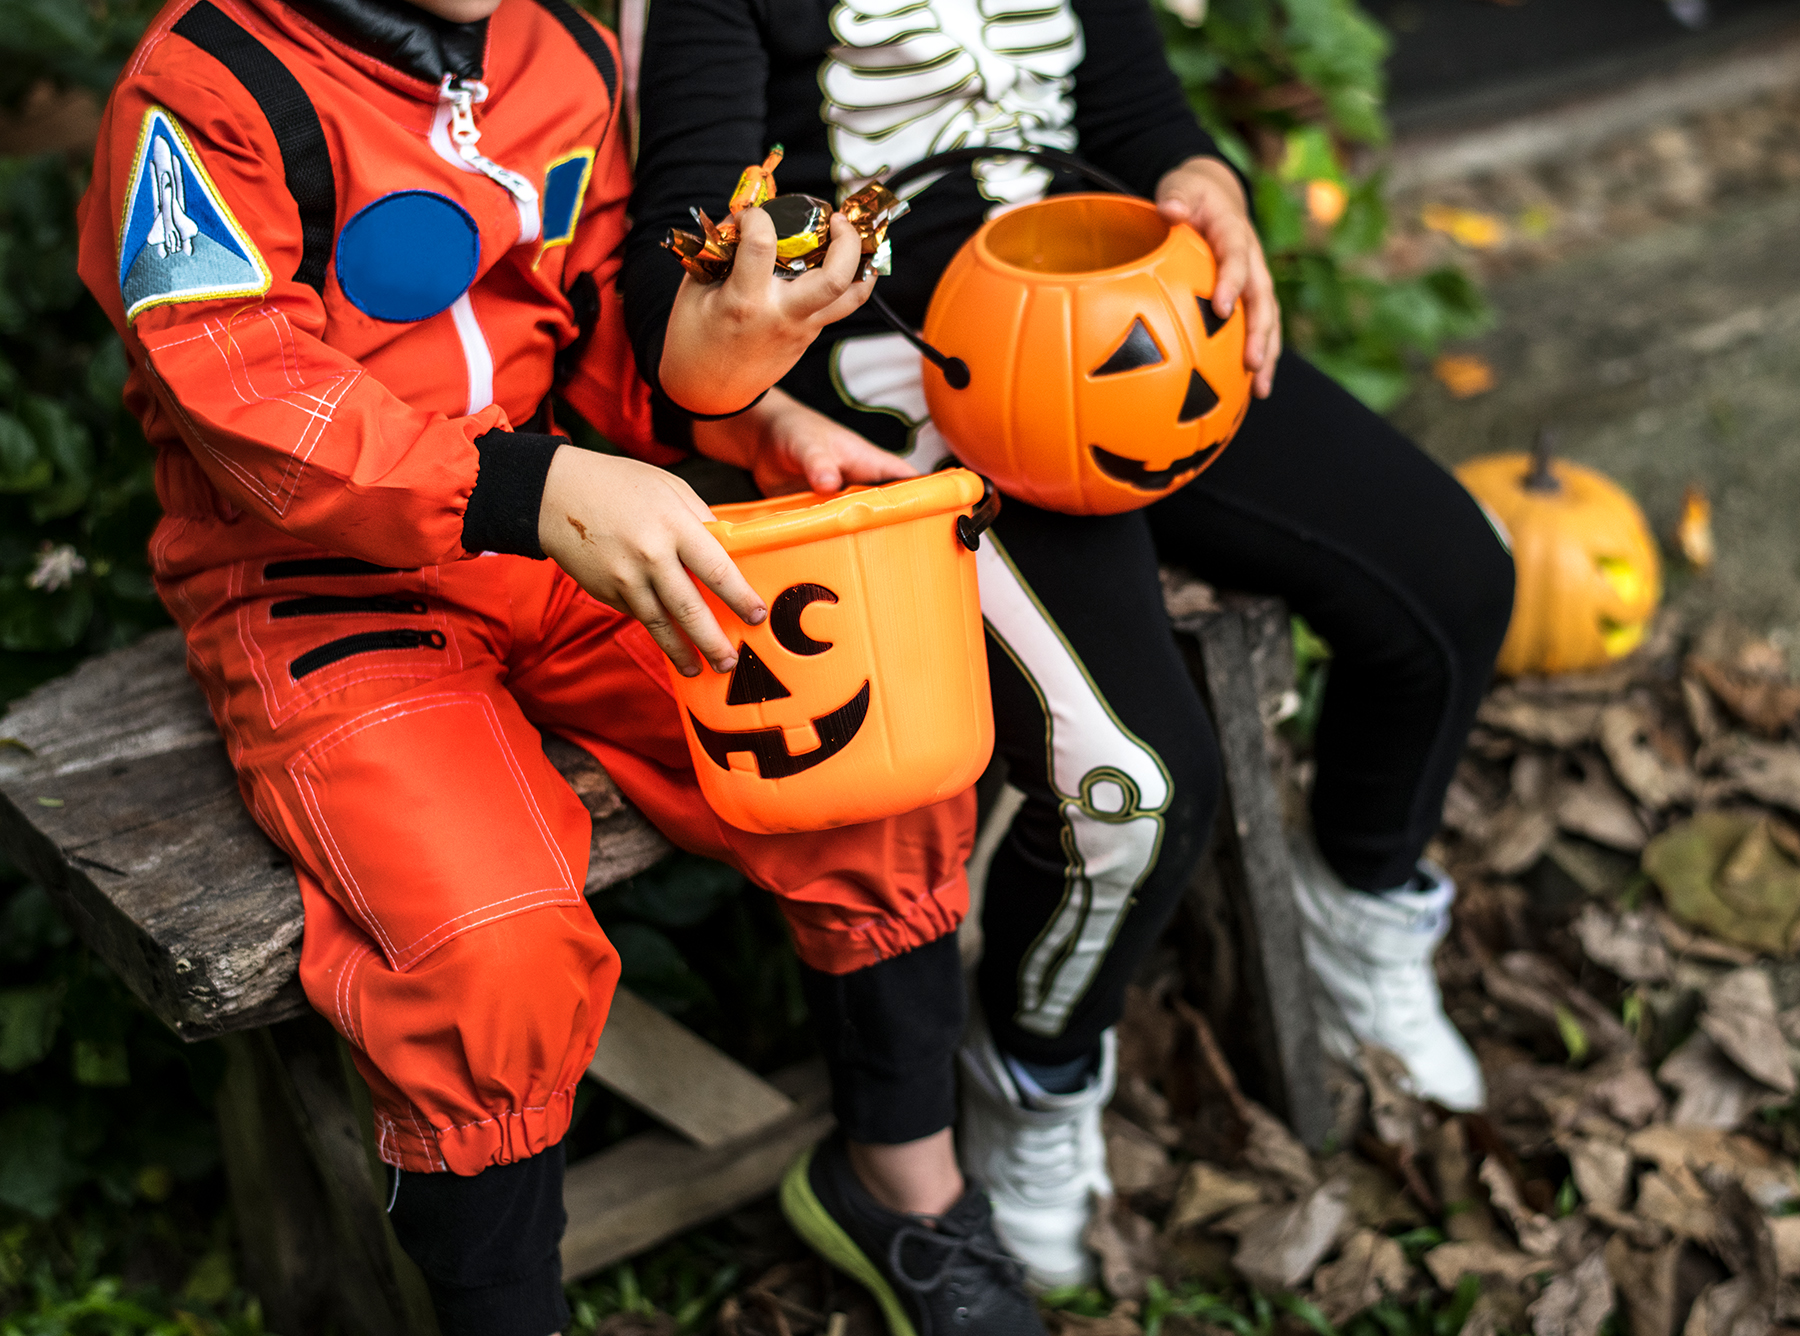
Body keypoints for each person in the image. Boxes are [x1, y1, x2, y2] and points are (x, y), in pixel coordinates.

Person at [75, 0, 1038, 1332]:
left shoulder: (560, 49)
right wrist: (527, 490)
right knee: (489, 948)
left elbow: (593, 335)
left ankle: (905, 1194)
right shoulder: (208, 93)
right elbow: (241, 390)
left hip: (572, 536)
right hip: (314, 580)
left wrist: (760, 422)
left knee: (861, 749)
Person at [621, 0, 1517, 1311]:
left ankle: (1363, 899)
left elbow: (1141, 118)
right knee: (1136, 785)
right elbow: (676, 264)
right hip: (905, 370)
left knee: (1455, 583)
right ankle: (1036, 1071)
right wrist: (747, 369)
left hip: (1125, 312)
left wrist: (1205, 184)